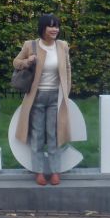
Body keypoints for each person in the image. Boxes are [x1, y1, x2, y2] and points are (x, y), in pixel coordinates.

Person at [13, 13, 72, 186]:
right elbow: (15, 62)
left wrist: (66, 92)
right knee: (37, 135)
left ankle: (54, 171)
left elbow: (67, 69)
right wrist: (27, 61)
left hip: (55, 97)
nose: (55, 29)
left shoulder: (62, 46)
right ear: (43, 28)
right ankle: (39, 171)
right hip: (36, 97)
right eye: (51, 26)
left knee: (53, 135)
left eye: (57, 26)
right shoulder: (30, 45)